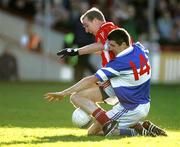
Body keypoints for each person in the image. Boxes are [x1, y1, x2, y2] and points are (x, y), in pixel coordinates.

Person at [44, 28, 167, 137]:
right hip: (136, 99)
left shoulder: (119, 63)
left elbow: (90, 79)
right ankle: (130, 124)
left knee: (93, 133)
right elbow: (106, 47)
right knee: (76, 97)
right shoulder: (139, 48)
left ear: (123, 44)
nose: (109, 48)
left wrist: (63, 93)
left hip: (131, 108)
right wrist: (77, 51)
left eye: (112, 45)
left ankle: (138, 131)